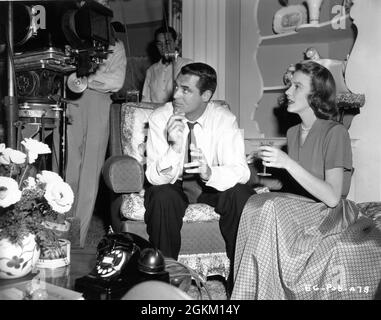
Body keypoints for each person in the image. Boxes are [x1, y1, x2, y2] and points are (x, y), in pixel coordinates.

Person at [231, 60, 381, 300]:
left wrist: (287, 163)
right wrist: (252, 176)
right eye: (289, 85)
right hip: (306, 210)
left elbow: (332, 197)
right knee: (254, 204)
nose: (288, 92)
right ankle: (252, 293)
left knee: (269, 206)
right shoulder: (293, 132)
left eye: (297, 86)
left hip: (331, 215)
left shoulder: (336, 132)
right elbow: (296, 188)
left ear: (316, 94)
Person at [144, 62, 255, 288]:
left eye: (186, 90)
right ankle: (166, 281)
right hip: (174, 184)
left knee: (241, 194)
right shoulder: (160, 117)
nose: (175, 94)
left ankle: (242, 282)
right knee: (162, 196)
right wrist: (174, 148)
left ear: (205, 95)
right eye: (176, 87)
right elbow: (154, 178)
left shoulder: (224, 119)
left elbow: (241, 172)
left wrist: (210, 172)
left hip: (211, 185)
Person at [66, 31, 127, 248]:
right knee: (65, 170)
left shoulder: (115, 45)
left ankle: (75, 241)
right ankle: (55, 237)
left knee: (89, 175)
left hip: (99, 106)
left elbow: (116, 81)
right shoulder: (69, 37)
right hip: (69, 102)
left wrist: (83, 79)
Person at [141, 26, 192, 103]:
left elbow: (192, 97)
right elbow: (145, 101)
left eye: (167, 43)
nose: (163, 47)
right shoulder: (151, 71)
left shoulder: (187, 65)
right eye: (159, 44)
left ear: (176, 42)